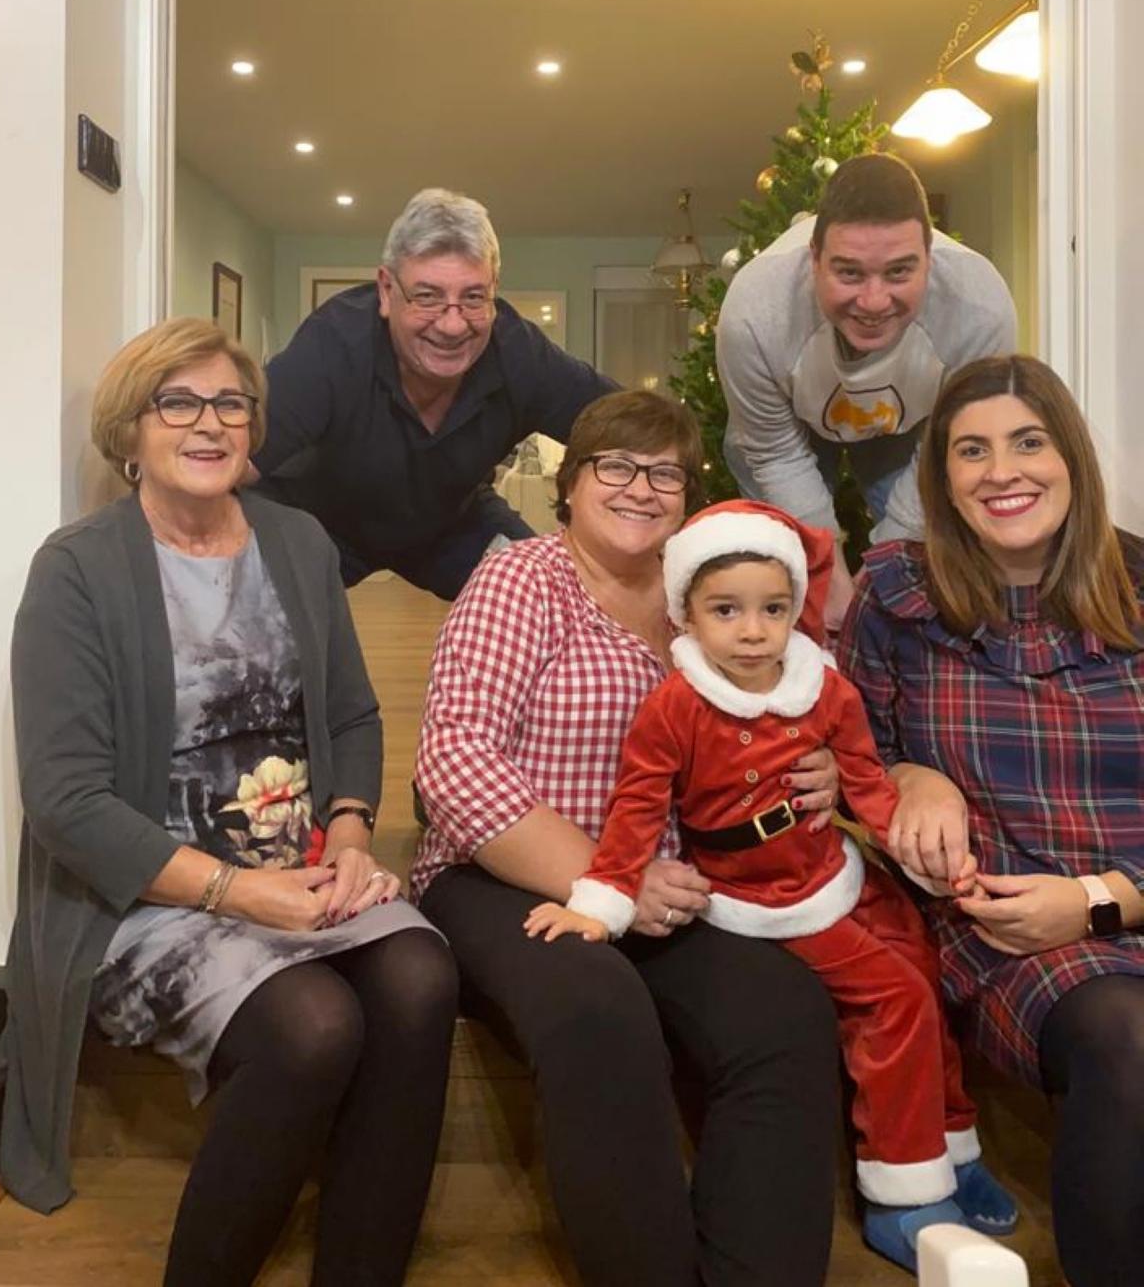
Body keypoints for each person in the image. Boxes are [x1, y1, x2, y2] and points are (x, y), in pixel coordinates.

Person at [0, 317, 458, 1287]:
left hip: (300, 869)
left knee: (420, 978)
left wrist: (347, 834)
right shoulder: (78, 570)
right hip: (149, 898)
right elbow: (67, 803)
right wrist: (244, 895)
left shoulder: (296, 540)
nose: (209, 424)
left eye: (230, 404)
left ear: (253, 429)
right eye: (179, 402)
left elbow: (354, 714)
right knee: (315, 1027)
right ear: (132, 431)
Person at [411, 390, 844, 1287]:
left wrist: (824, 772)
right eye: (615, 465)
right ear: (569, 485)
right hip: (505, 878)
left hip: (673, 885)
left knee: (787, 1017)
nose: (640, 488)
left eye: (665, 473)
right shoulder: (522, 578)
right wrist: (611, 878)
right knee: (599, 1014)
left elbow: (786, 720)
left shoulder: (706, 603)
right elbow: (453, 761)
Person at [526, 498, 1016, 1274]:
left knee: (922, 959)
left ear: (796, 610)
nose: (753, 631)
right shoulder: (675, 707)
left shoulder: (824, 689)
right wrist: (602, 900)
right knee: (893, 996)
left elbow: (865, 781)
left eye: (773, 609)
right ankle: (903, 1190)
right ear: (687, 613)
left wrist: (915, 851)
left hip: (828, 870)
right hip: (760, 900)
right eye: (728, 610)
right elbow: (636, 809)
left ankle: (950, 1142)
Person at [837, 354, 1144, 1287]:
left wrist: (1099, 900)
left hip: (1113, 901)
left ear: (1071, 459)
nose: (1001, 471)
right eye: (971, 451)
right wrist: (910, 773)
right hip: (1015, 941)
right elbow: (839, 759)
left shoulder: (1137, 584)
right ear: (942, 478)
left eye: (1026, 442)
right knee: (1127, 1039)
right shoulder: (898, 595)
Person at [253, 188, 616, 599]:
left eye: (473, 297)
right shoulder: (333, 343)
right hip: (322, 520)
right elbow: (234, 457)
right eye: (427, 296)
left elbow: (631, 430)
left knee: (550, 598)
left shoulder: (520, 354)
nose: (452, 325)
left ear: (494, 290)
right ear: (387, 291)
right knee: (253, 609)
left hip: (451, 525)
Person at [716, 152, 1016, 630]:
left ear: (929, 260)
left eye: (899, 272)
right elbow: (774, 453)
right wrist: (827, 571)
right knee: (795, 568)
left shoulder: (980, 309)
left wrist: (881, 572)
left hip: (917, 428)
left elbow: (951, 447)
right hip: (791, 431)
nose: (874, 302)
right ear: (813, 260)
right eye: (849, 273)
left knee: (910, 567)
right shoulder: (754, 313)